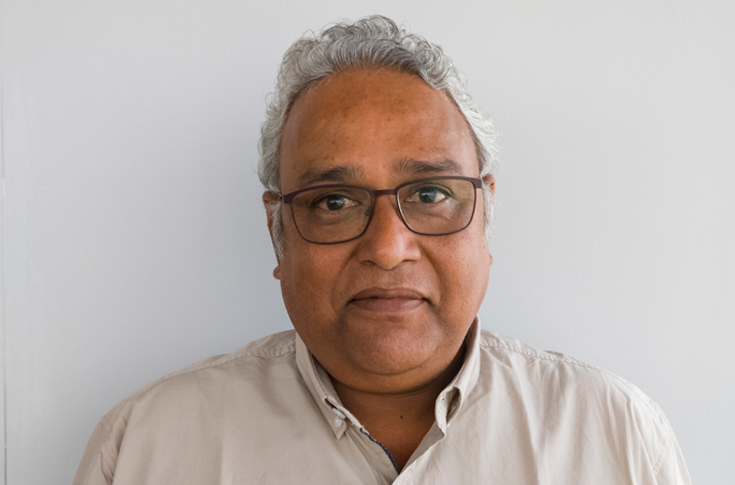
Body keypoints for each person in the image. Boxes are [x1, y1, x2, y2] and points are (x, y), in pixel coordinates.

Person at [74, 15, 691, 484]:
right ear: (276, 232)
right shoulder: (144, 449)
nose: (389, 248)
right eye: (334, 201)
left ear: (485, 218)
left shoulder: (618, 438)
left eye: (430, 193)